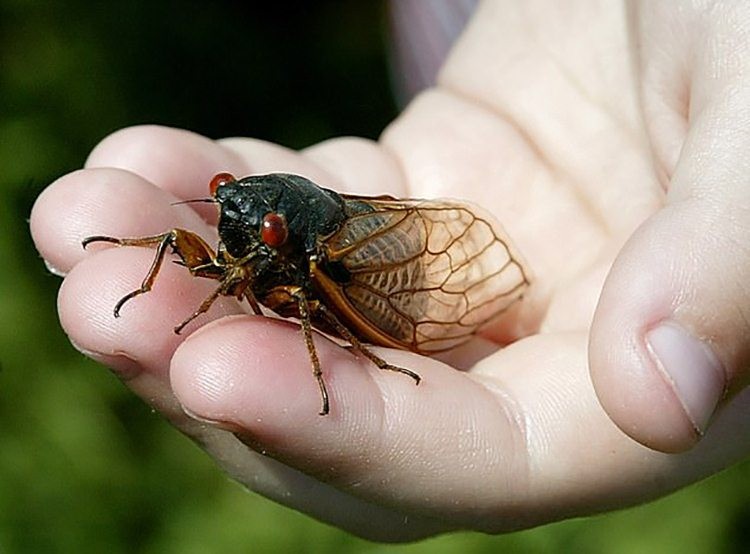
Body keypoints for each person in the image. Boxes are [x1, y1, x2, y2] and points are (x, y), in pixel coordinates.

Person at [29, 1, 750, 541]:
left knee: (316, 306)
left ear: (283, 235)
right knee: (161, 238)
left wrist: (327, 360)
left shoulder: (298, 252)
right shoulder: (243, 222)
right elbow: (220, 242)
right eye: (222, 201)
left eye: (262, 229)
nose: (231, 222)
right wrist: (170, 281)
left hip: (355, 256)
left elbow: (306, 300)